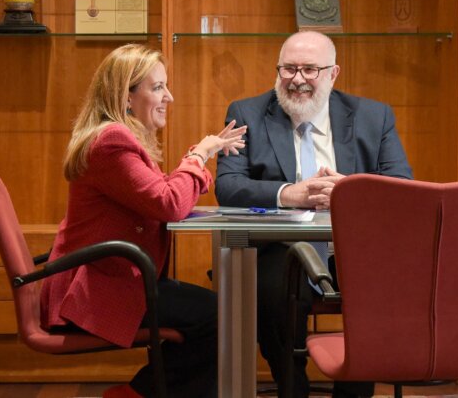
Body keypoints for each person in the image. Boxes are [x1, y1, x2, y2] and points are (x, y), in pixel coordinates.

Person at [40, 44, 246, 398]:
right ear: (126, 96)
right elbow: (169, 203)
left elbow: (165, 194)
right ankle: (137, 393)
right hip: (96, 288)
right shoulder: (111, 141)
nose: (169, 97)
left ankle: (138, 392)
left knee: (220, 314)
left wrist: (198, 157)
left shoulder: (119, 138)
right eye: (158, 87)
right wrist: (200, 155)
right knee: (221, 316)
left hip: (111, 277)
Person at [216, 31, 413, 398]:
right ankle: (292, 387)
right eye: (288, 69)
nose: (297, 80)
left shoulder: (373, 116)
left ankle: (353, 393)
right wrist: (288, 193)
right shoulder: (247, 113)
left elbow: (402, 185)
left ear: (333, 73)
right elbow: (228, 186)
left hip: (353, 248)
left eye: (310, 69)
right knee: (271, 290)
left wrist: (350, 192)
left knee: (380, 286)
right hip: (282, 247)